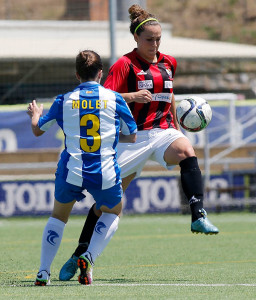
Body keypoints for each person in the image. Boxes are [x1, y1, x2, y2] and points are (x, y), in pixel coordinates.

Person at [59, 4, 219, 281]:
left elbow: (169, 94)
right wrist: (132, 97)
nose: (154, 44)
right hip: (131, 139)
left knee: (186, 151)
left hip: (162, 131)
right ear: (136, 38)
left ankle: (198, 213)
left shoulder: (169, 62)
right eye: (149, 39)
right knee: (109, 203)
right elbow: (103, 100)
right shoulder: (124, 64)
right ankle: (81, 253)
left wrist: (176, 124)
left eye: (158, 39)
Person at [27, 50, 137, 286]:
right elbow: (132, 135)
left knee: (58, 217)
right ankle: (88, 257)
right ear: (101, 73)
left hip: (71, 170)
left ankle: (43, 272)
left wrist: (35, 115)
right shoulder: (115, 98)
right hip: (104, 170)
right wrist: (109, 138)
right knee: (112, 211)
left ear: (77, 75)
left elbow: (37, 130)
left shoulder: (63, 100)